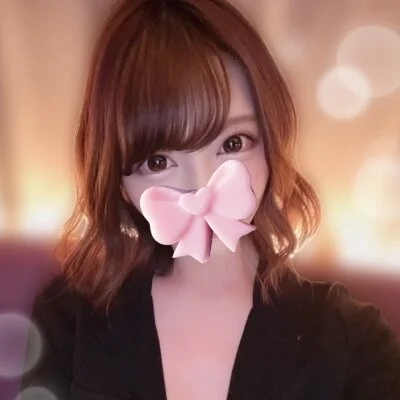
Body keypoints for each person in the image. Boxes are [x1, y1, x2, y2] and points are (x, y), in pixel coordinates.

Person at [21, 0, 400, 399]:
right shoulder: (69, 317)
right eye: (158, 161)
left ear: (273, 138)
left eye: (233, 143)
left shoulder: (355, 340)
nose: (200, 188)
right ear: (118, 180)